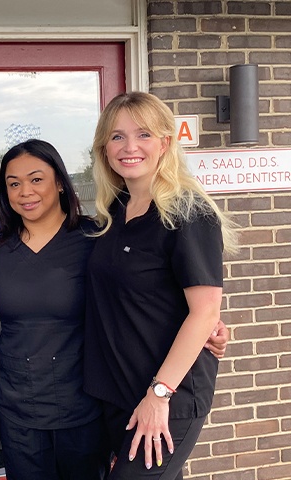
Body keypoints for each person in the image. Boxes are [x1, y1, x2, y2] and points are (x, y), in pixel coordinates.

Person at [84, 91, 238, 479]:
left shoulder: (189, 211)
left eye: (143, 135)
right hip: (117, 392)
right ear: (104, 147)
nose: (129, 147)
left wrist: (159, 395)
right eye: (117, 136)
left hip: (167, 397)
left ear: (165, 143)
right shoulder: (113, 211)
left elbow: (204, 312)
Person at [0, 139, 108, 480]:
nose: (25, 191)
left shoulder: (94, 239)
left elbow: (140, 295)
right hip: (17, 407)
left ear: (58, 182)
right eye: (13, 183)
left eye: (36, 179)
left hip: (82, 406)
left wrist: (203, 321)